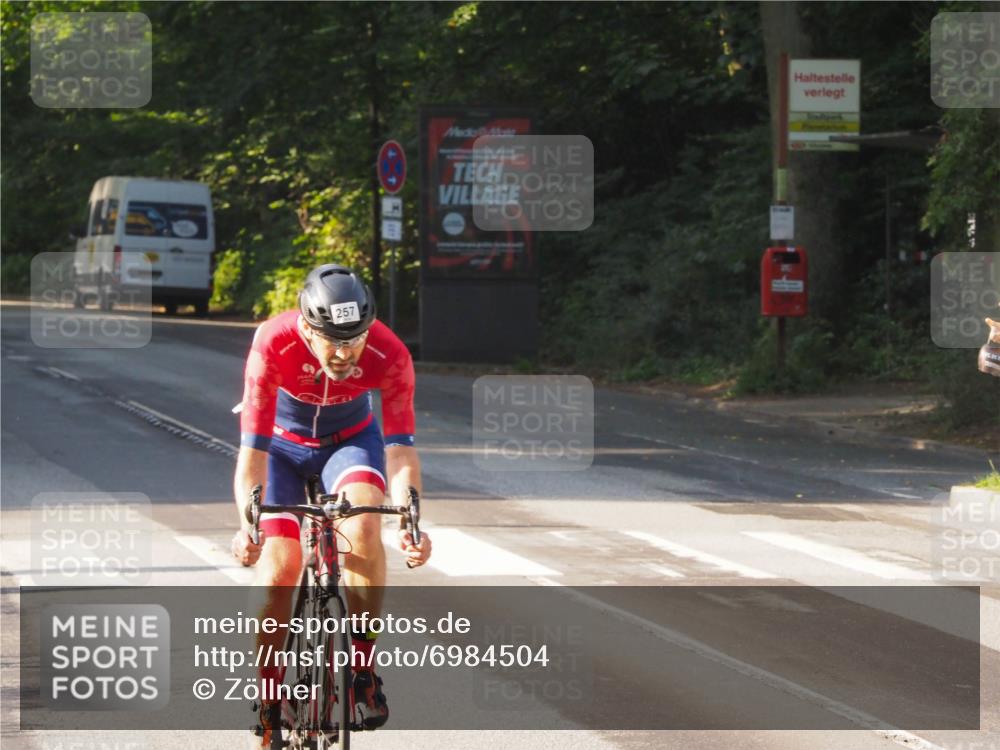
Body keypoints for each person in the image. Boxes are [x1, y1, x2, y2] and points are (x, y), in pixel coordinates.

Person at [229, 264, 432, 744]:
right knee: (281, 566)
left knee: (363, 526)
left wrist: (411, 521)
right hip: (278, 446)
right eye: (331, 341)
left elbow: (401, 451)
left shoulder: (391, 352)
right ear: (305, 327)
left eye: (355, 339)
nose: (344, 353)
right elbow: (251, 454)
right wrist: (248, 526)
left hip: (350, 440)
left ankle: (363, 669)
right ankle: (269, 695)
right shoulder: (273, 340)